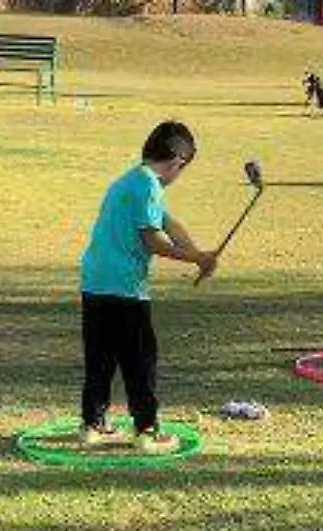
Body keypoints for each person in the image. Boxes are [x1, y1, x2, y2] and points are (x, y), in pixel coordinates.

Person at [78, 121, 217, 451]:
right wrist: (194, 258)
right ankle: (146, 430)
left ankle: (92, 425)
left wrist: (199, 256)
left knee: (100, 358)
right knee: (139, 360)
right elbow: (153, 240)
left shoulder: (131, 180)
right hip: (125, 288)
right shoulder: (148, 186)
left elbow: (169, 224)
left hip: (95, 282)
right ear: (177, 163)